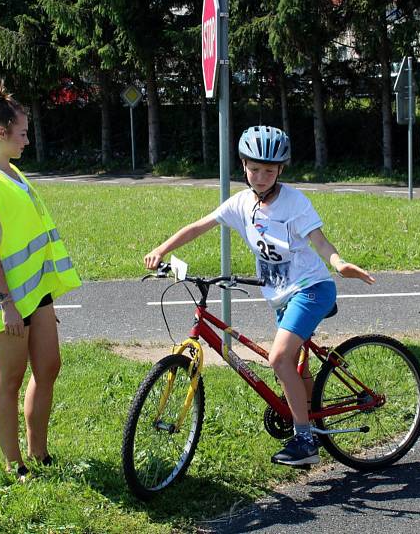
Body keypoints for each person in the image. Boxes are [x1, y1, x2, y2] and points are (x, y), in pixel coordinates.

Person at [144, 125, 375, 467]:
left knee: (279, 358)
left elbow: (321, 242)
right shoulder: (240, 203)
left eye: (269, 170)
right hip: (280, 296)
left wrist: (339, 264)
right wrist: (161, 249)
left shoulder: (294, 202)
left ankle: (305, 441)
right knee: (296, 366)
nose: (261, 176)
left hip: (311, 289)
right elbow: (199, 225)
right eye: (254, 168)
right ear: (243, 165)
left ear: (281, 170)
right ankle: (311, 420)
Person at [0, 84, 81, 481]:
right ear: (2, 133)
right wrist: (8, 304)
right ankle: (14, 464)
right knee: (9, 380)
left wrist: (40, 299)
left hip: (34, 293)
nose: (28, 139)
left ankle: (39, 452)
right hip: (3, 300)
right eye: (23, 132)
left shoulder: (13, 172)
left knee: (49, 367)